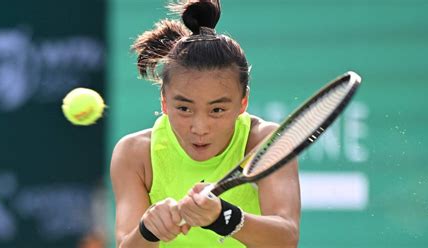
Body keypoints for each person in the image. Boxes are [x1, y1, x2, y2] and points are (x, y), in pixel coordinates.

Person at [110, 0, 301, 247]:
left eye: (217, 109)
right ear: (164, 102)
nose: (200, 127)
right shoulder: (134, 153)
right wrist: (148, 229)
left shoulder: (266, 143)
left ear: (243, 103)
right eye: (184, 108)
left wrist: (223, 217)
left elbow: (286, 238)